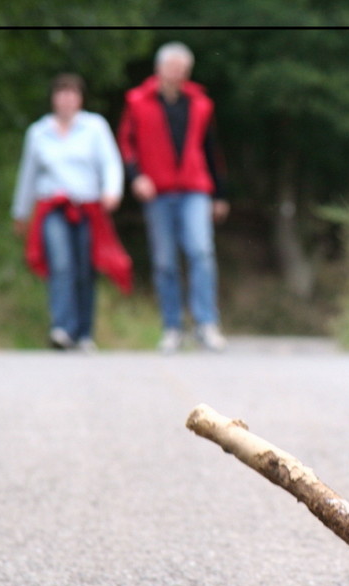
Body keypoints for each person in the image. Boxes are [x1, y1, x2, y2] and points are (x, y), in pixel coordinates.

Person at [117, 41, 230, 353]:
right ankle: (172, 327)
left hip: (195, 189)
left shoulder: (200, 103)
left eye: (182, 69)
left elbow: (212, 149)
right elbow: (126, 144)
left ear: (187, 72)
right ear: (159, 69)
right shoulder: (138, 101)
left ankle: (206, 324)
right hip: (158, 191)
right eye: (171, 68)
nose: (176, 74)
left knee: (201, 252)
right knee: (165, 262)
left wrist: (220, 194)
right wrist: (135, 176)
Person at [12, 73, 131, 351]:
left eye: (72, 94)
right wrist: (20, 212)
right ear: (54, 98)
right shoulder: (38, 132)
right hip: (53, 207)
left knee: (85, 268)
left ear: (80, 99)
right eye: (61, 93)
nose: (66, 99)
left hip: (88, 207)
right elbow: (27, 176)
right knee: (61, 264)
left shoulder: (94, 127)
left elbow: (111, 163)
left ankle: (84, 333)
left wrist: (112, 190)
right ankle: (62, 327)